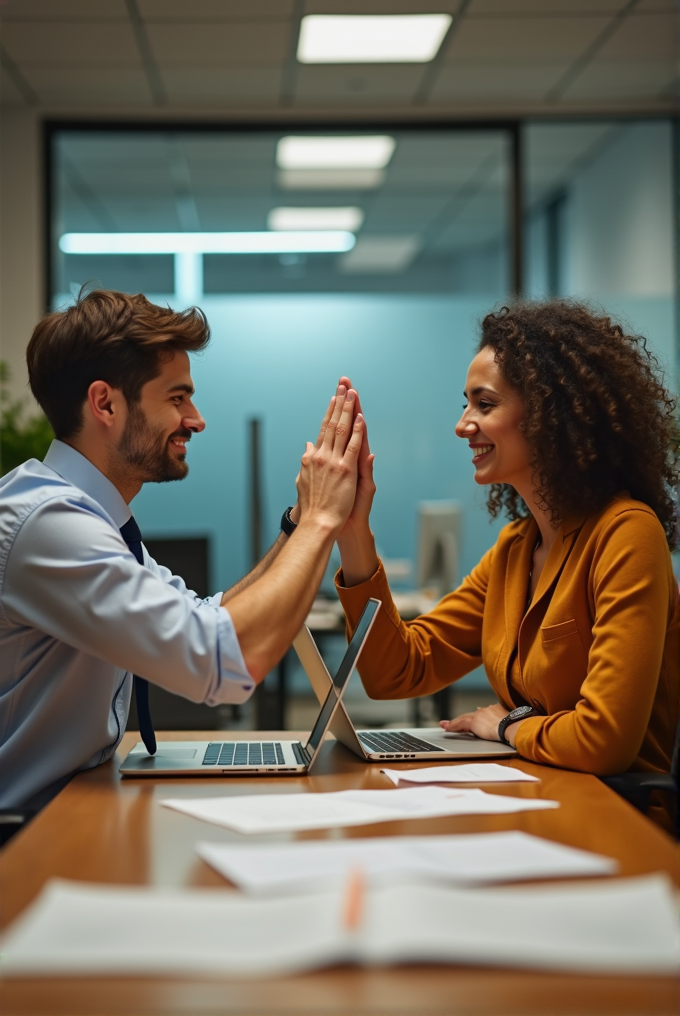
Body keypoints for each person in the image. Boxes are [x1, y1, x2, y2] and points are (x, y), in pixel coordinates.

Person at [0, 289, 364, 809]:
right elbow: (223, 659)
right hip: (23, 839)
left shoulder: (88, 516)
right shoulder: (48, 524)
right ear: (105, 403)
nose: (195, 419)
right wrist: (324, 522)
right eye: (176, 398)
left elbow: (204, 617)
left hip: (76, 805)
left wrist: (298, 525)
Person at [335, 302, 680, 807]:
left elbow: (603, 741)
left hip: (614, 813)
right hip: (534, 794)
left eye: (485, 404)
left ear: (549, 413)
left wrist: (510, 726)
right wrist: (353, 533)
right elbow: (397, 671)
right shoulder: (515, 551)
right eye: (465, 403)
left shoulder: (626, 534)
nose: (462, 424)